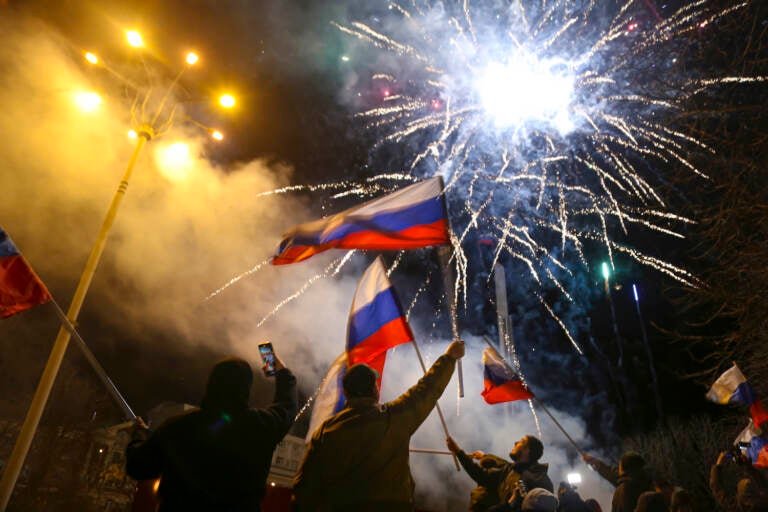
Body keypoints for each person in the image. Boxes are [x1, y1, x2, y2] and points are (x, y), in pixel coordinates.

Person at [291, 339, 465, 511]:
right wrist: (449, 357)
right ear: (375, 390)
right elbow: (425, 390)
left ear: (346, 393)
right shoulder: (392, 418)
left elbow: (303, 487)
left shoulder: (325, 431)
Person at [125, 353, 298, 511]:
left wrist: (139, 436)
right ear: (247, 388)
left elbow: (139, 467)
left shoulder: (179, 426)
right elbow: (287, 406)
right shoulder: (261, 426)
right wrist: (281, 372)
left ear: (211, 383)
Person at [446, 434, 554, 511]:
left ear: (527, 450)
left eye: (521, 441)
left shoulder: (540, 480)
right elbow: (480, 475)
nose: (515, 442)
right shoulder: (509, 471)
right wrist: (458, 451)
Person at [582, 451, 652, 512]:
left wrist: (593, 461)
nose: (618, 469)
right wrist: (593, 461)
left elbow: (610, 473)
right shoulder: (650, 487)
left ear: (624, 469)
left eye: (620, 467)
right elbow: (610, 472)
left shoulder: (623, 490)